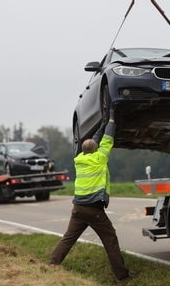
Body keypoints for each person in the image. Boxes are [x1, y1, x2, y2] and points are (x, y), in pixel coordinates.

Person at [49, 107, 131, 281]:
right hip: (94, 210)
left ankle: (51, 264)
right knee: (110, 240)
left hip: (78, 209)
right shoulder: (100, 158)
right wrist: (111, 120)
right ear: (96, 150)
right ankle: (122, 276)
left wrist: (101, 124)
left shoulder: (79, 160)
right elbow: (107, 139)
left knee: (68, 239)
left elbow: (94, 140)